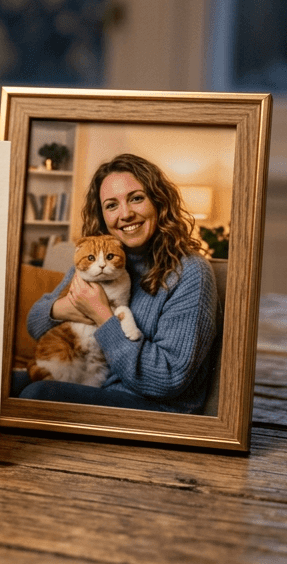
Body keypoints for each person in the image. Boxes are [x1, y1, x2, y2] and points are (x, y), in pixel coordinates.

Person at [14, 153, 219, 412]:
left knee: (37, 394)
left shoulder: (190, 272)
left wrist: (102, 314)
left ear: (158, 201)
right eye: (111, 205)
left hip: (154, 405)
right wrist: (67, 307)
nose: (126, 214)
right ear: (102, 214)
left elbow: (167, 379)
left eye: (136, 198)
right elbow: (35, 324)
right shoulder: (97, 260)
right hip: (97, 381)